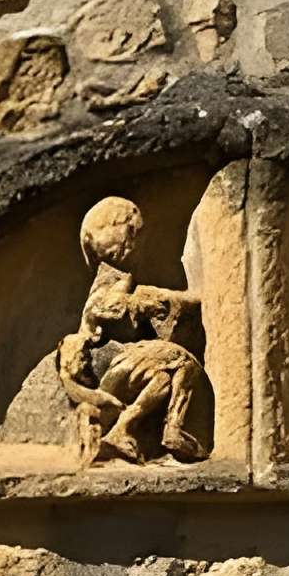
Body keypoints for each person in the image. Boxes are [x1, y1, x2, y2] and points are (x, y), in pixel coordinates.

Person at [55, 195, 211, 465]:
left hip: (124, 367)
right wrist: (141, 302)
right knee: (182, 361)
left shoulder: (124, 276)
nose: (134, 241)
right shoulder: (114, 277)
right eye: (130, 231)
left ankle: (123, 430)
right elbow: (101, 308)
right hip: (112, 367)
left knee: (162, 379)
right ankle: (173, 428)